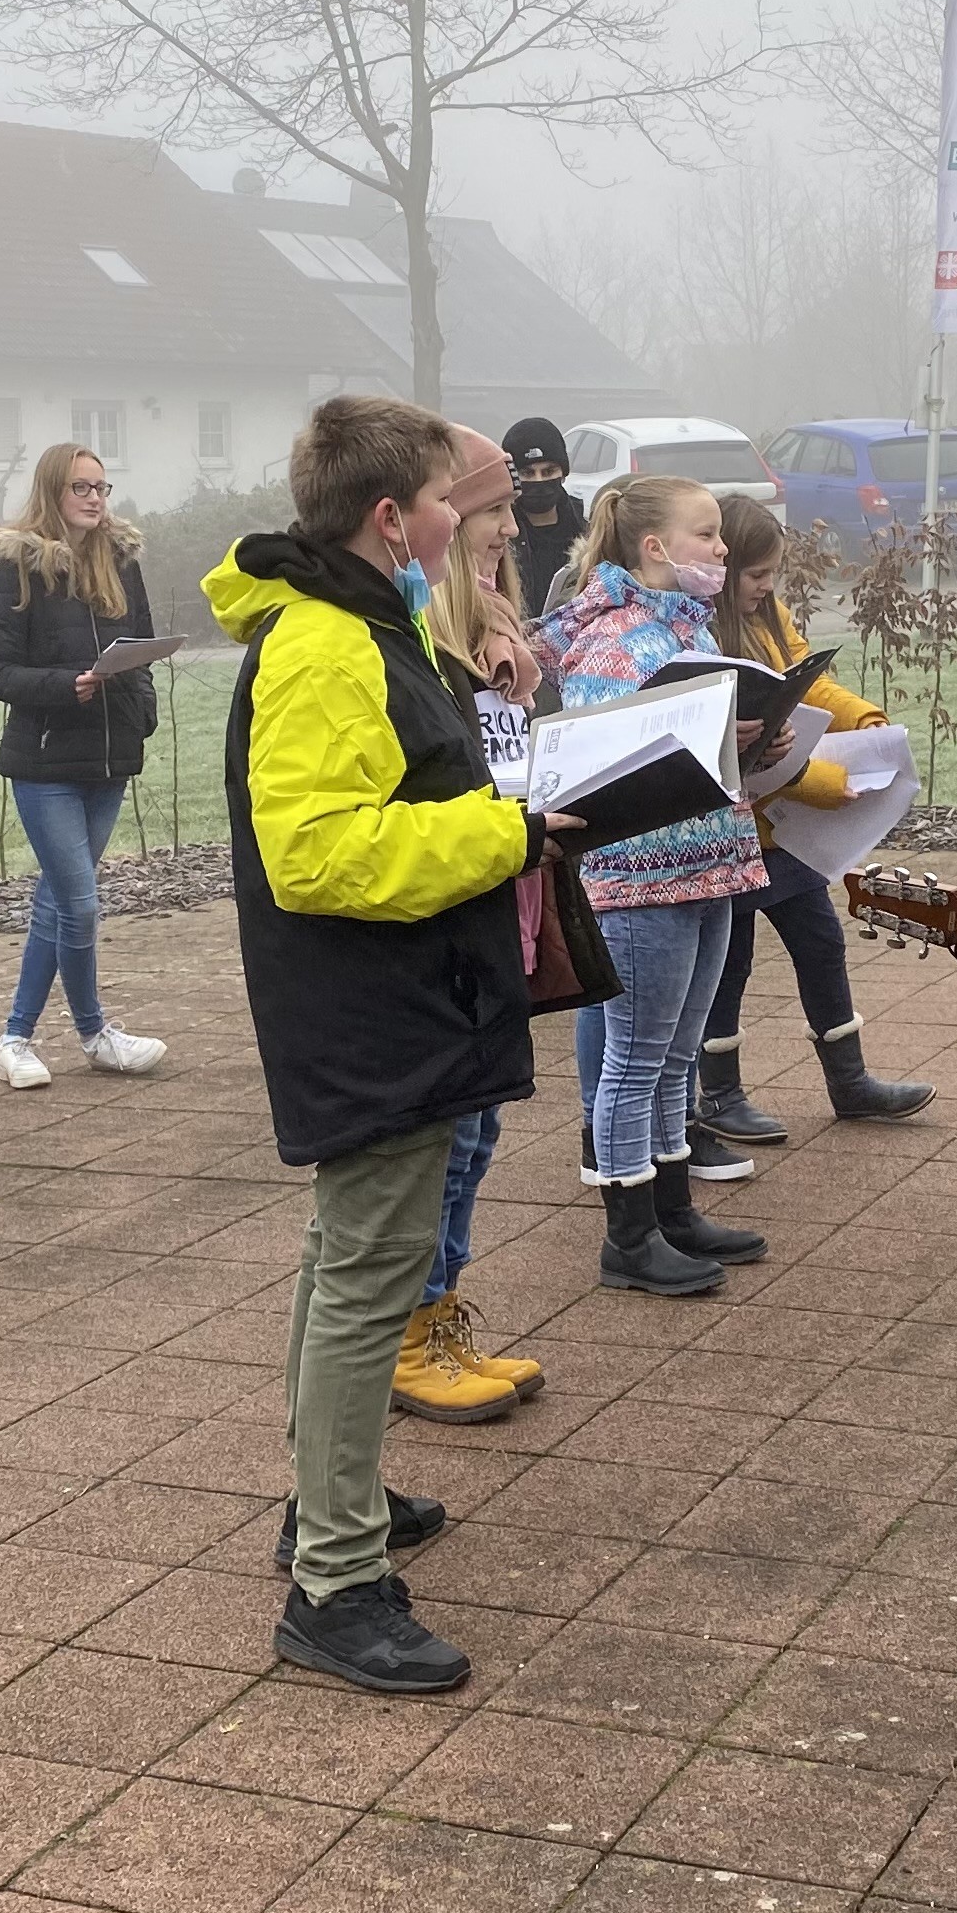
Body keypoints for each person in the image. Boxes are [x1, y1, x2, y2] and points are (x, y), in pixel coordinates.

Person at [206, 394, 548, 1694]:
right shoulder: (325, 643)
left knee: (348, 1262)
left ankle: (326, 1505)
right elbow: (316, 855)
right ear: (390, 514)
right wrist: (509, 833)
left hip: (396, 996)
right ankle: (335, 1583)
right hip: (369, 1006)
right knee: (366, 1282)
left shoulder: (359, 618)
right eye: (452, 496)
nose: (468, 516)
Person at [542, 474, 773, 1296]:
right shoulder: (614, 641)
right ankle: (628, 1235)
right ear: (654, 548)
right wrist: (711, 733)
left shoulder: (685, 628)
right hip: (640, 882)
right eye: (706, 534)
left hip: (707, 868)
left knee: (676, 1059)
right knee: (634, 1065)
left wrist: (749, 746)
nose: (720, 549)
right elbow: (606, 768)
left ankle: (673, 1210)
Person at [685, 495, 937, 1175]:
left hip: (781, 841)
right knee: (726, 969)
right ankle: (720, 1094)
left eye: (773, 574)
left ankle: (849, 1082)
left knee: (820, 944)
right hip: (736, 834)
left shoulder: (765, 617)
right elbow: (759, 753)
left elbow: (807, 688)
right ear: (724, 566)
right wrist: (825, 784)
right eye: (757, 574)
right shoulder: (704, 640)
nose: (768, 587)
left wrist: (868, 723)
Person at [390, 428, 543, 1424]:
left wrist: (516, 676)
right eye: (490, 511)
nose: (506, 531)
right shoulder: (411, 650)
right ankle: (410, 1335)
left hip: (501, 915)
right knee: (443, 1147)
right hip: (445, 927)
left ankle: (439, 1314)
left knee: (477, 1140)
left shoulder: (488, 637)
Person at [0, 442, 170, 1090]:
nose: (95, 499)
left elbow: (138, 643)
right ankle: (86, 1031)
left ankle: (22, 1040)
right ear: (52, 492)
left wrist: (139, 702)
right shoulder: (20, 567)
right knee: (79, 905)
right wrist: (67, 684)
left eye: (102, 487)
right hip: (45, 760)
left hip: (110, 756)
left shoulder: (120, 560)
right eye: (81, 488)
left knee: (60, 901)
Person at [500, 416, 581, 615]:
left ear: (563, 473)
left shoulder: (587, 530)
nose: (539, 481)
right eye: (527, 473)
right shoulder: (500, 535)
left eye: (548, 471)